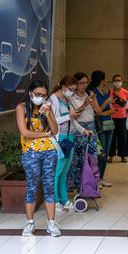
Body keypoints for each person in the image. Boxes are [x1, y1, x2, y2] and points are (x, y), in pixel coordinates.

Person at [16, 80, 61, 237]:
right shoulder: (21, 108)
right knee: (32, 187)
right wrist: (45, 134)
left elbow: (55, 130)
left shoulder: (47, 107)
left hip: (49, 151)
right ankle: (30, 223)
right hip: (31, 153)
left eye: (44, 95)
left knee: (49, 186)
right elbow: (25, 132)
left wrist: (48, 114)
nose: (41, 97)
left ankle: (51, 223)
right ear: (30, 93)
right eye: (38, 94)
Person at [50, 76, 91, 213]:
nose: (72, 92)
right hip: (60, 138)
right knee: (58, 170)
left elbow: (73, 120)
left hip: (70, 137)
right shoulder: (53, 100)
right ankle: (54, 200)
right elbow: (53, 121)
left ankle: (64, 198)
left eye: (74, 90)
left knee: (65, 171)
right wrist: (69, 116)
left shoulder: (67, 99)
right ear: (62, 86)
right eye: (70, 89)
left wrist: (83, 130)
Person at [67, 72, 102, 192]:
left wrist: (93, 101)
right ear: (75, 84)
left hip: (91, 128)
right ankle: (75, 184)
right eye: (81, 83)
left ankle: (89, 185)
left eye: (86, 82)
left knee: (91, 157)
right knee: (76, 159)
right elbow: (73, 117)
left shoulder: (90, 95)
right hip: (78, 128)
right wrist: (84, 104)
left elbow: (99, 112)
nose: (84, 85)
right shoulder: (70, 98)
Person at [88, 70, 115, 188]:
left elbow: (112, 110)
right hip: (100, 125)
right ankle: (96, 178)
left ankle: (102, 177)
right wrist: (106, 103)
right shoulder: (93, 93)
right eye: (104, 78)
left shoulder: (105, 92)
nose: (106, 81)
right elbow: (98, 112)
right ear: (100, 80)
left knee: (107, 152)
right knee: (101, 153)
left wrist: (104, 109)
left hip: (109, 123)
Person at [108, 74, 128, 164]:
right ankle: (111, 156)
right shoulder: (110, 92)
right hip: (112, 117)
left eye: (119, 80)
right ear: (113, 82)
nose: (118, 82)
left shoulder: (126, 92)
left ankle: (123, 155)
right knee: (112, 138)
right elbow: (107, 103)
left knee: (123, 138)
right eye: (116, 80)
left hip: (123, 118)